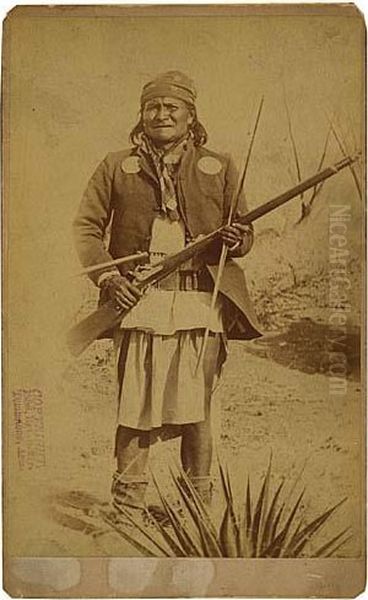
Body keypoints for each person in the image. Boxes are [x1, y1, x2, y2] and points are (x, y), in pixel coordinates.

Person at [73, 71, 261, 513]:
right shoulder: (116, 165)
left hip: (201, 303)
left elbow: (247, 231)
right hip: (138, 302)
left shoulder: (221, 164)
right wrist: (109, 279)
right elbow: (86, 228)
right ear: (141, 115)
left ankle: (196, 509)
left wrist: (238, 239)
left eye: (171, 107)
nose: (162, 115)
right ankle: (128, 507)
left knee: (197, 410)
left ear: (190, 116)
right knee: (134, 407)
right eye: (153, 107)